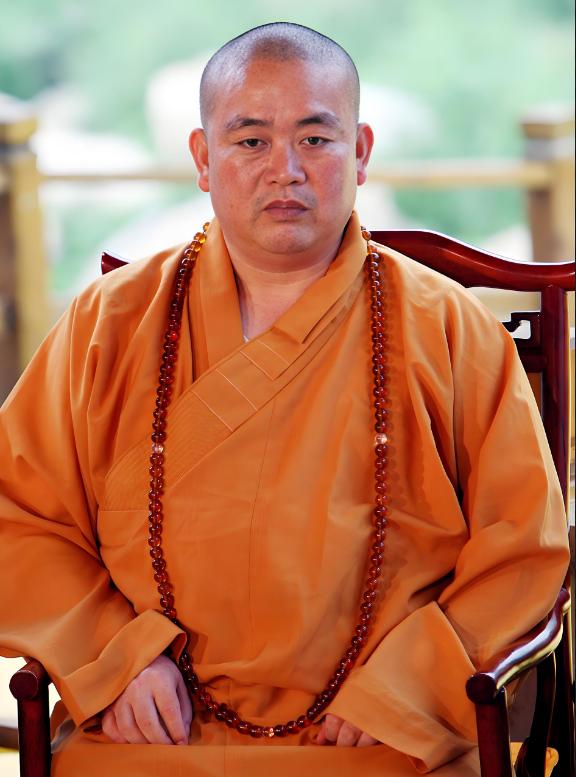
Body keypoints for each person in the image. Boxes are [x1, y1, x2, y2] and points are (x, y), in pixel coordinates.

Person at [0, 22, 569, 777]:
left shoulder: (448, 327)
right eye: (251, 141)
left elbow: (522, 548)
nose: (285, 171)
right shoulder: (110, 322)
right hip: (150, 730)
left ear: (360, 152)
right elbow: (17, 517)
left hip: (375, 737)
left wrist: (407, 690)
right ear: (203, 158)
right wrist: (114, 658)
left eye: (314, 139)